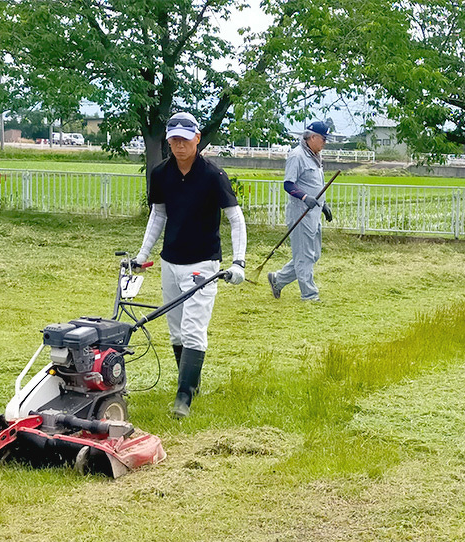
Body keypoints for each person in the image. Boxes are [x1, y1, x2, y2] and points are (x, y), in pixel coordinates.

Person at [133, 112, 247, 417]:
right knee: (176, 330)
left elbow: (235, 219)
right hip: (171, 261)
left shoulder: (213, 175)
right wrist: (142, 256)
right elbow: (158, 215)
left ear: (197, 138)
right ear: (168, 140)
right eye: (174, 139)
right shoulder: (160, 174)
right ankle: (191, 382)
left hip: (203, 264)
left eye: (185, 138)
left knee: (194, 328)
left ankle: (183, 398)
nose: (179, 145)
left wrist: (238, 262)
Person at [267, 121, 333, 303]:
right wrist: (305, 197)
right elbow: (288, 184)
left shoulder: (315, 157)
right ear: (312, 137)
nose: (325, 143)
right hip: (300, 213)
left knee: (314, 255)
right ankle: (310, 296)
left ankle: (278, 279)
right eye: (323, 139)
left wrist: (323, 204)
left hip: (314, 213)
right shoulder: (297, 156)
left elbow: (315, 184)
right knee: (304, 257)